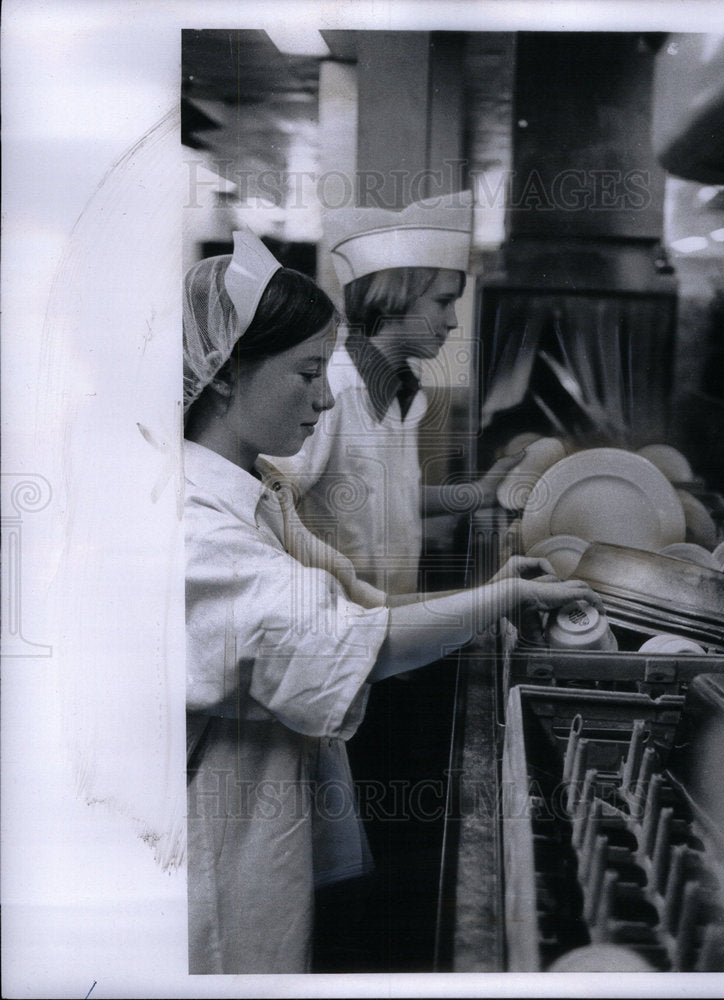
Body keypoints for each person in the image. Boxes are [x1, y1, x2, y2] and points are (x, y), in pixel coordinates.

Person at [183, 230, 602, 974]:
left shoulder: (256, 488)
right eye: (306, 372)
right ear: (224, 375)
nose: (321, 394)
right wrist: (497, 599)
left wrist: (475, 589)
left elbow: (352, 594)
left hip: (276, 781)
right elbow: (346, 636)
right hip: (215, 845)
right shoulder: (193, 533)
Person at [257, 190, 519, 597]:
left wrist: (479, 493)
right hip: (335, 627)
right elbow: (270, 502)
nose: (451, 321)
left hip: (387, 620)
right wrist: (330, 583)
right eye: (443, 302)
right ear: (393, 296)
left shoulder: (405, 394)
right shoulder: (331, 390)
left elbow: (389, 499)